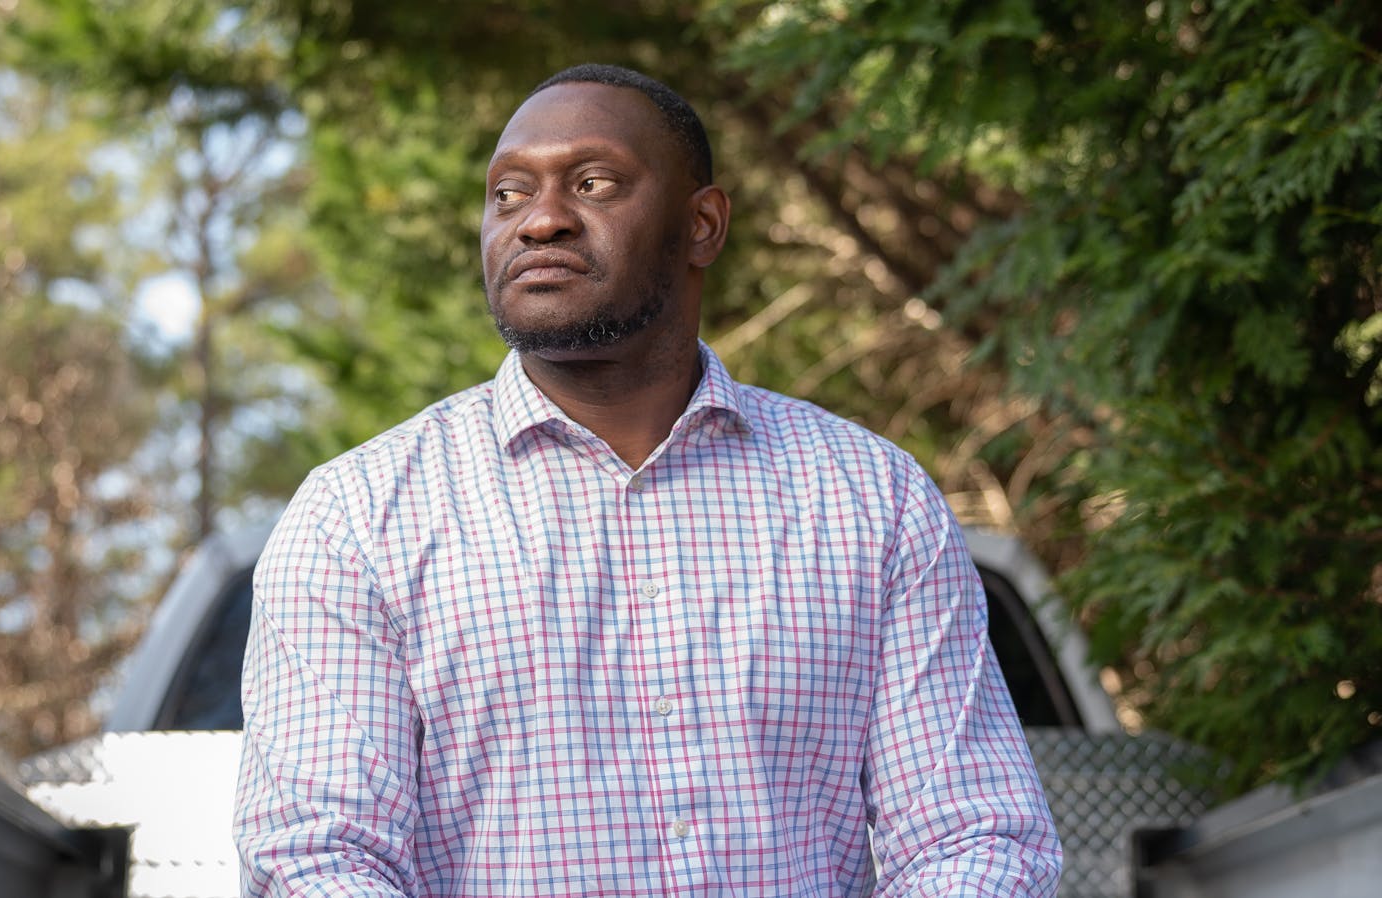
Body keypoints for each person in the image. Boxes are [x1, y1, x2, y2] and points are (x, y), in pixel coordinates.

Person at [234, 63, 1062, 897]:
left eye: (592, 183)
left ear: (702, 223)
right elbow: (317, 857)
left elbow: (972, 833)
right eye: (508, 195)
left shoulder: (870, 497)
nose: (541, 221)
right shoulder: (357, 516)